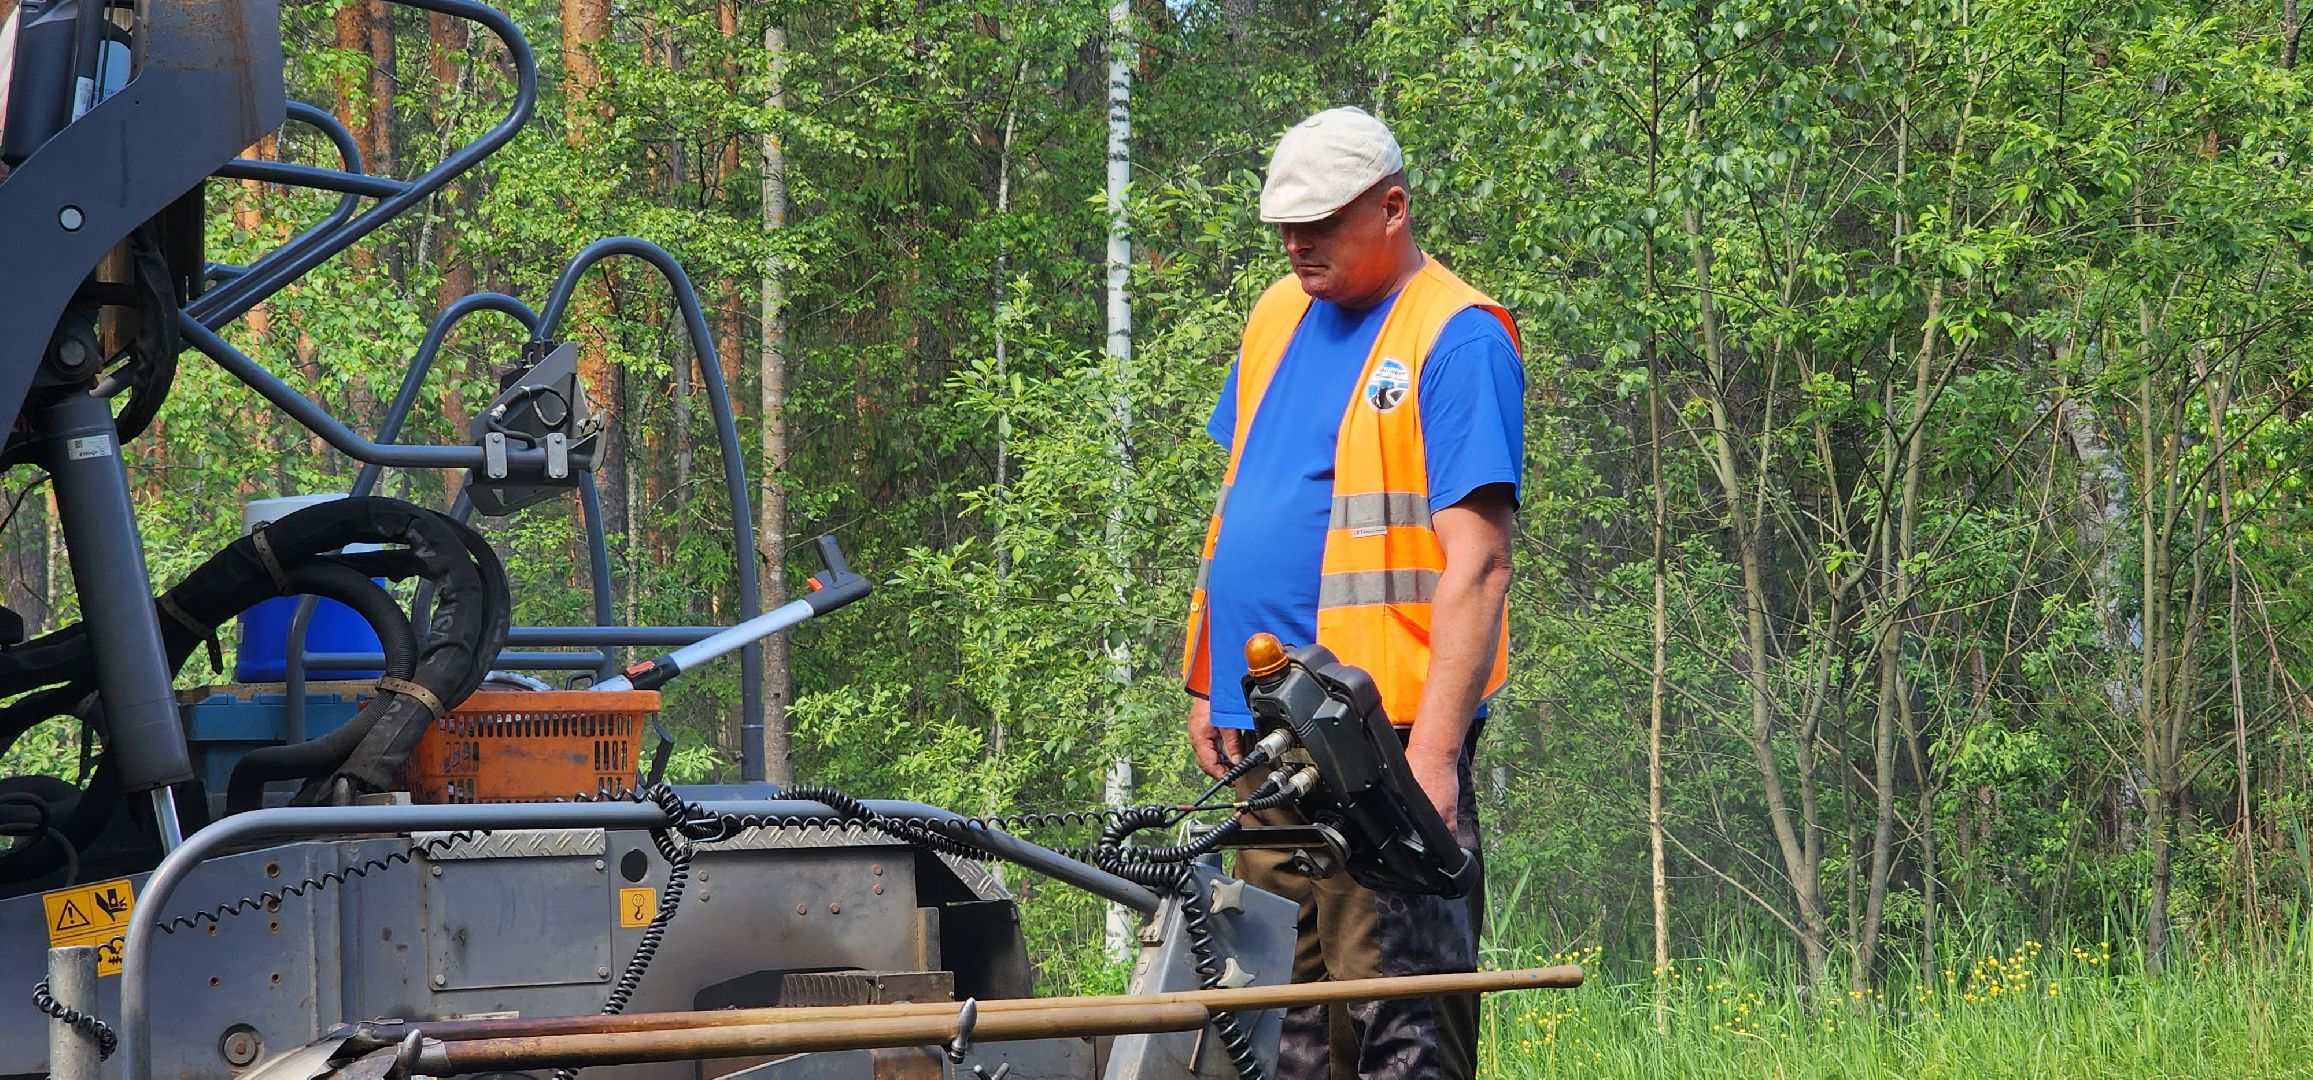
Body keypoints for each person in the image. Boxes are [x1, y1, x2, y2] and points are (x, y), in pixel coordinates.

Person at [1178, 106, 1524, 1080]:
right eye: (1284, 225)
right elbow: (1244, 492)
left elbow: (1480, 565)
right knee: (1275, 1034)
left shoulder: (1457, 338)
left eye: (1320, 222)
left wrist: (1439, 762)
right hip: (1268, 744)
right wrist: (1207, 676)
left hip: (1384, 754)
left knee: (1397, 1031)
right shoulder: (1278, 311)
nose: (1297, 243)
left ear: (1392, 208)